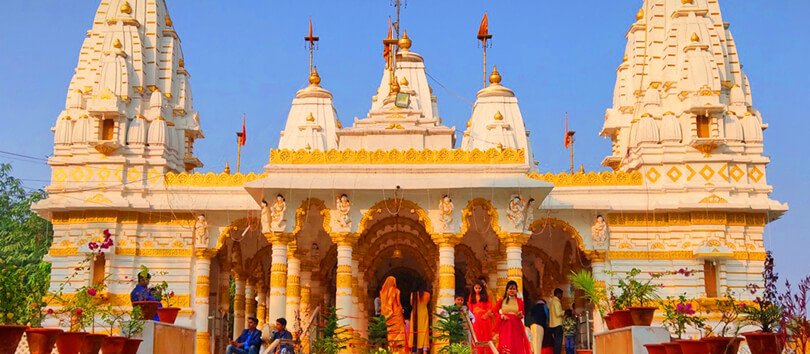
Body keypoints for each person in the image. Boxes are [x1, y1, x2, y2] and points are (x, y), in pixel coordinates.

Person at [494, 281, 532, 354]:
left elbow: (522, 313)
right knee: (505, 343)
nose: (512, 290)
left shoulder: (519, 301)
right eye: (510, 288)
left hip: (516, 325)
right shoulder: (502, 300)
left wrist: (520, 315)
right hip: (505, 325)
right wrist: (501, 316)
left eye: (514, 289)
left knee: (516, 343)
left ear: (516, 290)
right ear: (507, 290)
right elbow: (494, 312)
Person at [380, 276, 407, 353]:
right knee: (399, 332)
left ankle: (392, 350)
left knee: (391, 332)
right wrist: (402, 310)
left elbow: (384, 305)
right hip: (397, 314)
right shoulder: (396, 291)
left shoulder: (383, 293)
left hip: (389, 316)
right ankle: (400, 351)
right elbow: (398, 303)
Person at [468, 280, 494, 354]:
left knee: (486, 336)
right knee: (476, 336)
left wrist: (486, 315)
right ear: (473, 288)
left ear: (482, 288)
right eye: (476, 288)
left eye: (479, 288)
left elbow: (490, 307)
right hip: (475, 319)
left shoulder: (486, 296)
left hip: (484, 318)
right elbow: (470, 309)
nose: (477, 290)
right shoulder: (471, 296)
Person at [410, 281, 431, 353]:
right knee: (424, 332)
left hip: (415, 314)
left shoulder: (413, 295)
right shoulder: (428, 294)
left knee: (415, 331)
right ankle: (424, 351)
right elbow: (428, 302)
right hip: (424, 313)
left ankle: (414, 351)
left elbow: (411, 304)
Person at [548, 288, 565, 354]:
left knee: (555, 342)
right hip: (558, 324)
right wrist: (565, 312)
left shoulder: (551, 301)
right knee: (558, 343)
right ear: (558, 294)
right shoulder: (557, 302)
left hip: (552, 324)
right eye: (561, 294)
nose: (562, 296)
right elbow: (558, 313)